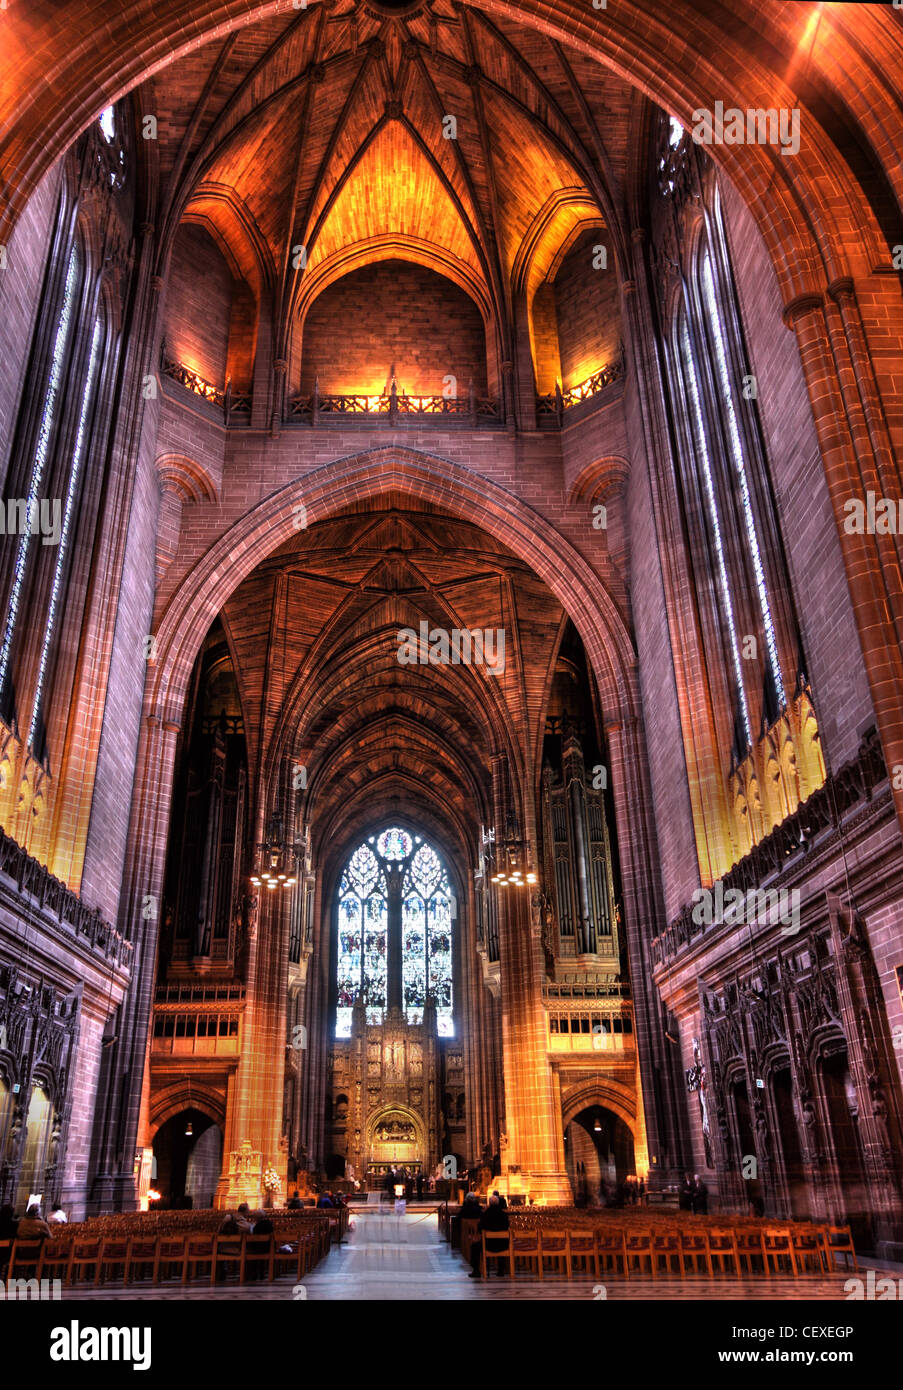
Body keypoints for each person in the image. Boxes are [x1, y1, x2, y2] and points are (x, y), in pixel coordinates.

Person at [469, 1193, 509, 1279]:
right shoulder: (504, 1214)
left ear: (489, 1203)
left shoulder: (485, 1214)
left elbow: (480, 1228)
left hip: (488, 1245)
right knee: (502, 1241)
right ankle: (501, 1270)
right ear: (498, 1203)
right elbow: (507, 1226)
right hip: (502, 1245)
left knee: (474, 1246)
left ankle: (476, 1271)